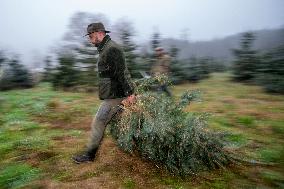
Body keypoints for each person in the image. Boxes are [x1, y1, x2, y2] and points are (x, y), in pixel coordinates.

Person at [73, 22, 135, 163]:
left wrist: (130, 94)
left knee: (98, 122)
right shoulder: (105, 48)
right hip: (115, 94)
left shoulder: (111, 49)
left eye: (90, 35)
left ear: (99, 33)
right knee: (120, 124)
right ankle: (129, 150)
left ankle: (89, 156)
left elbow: (122, 73)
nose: (89, 39)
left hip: (116, 96)